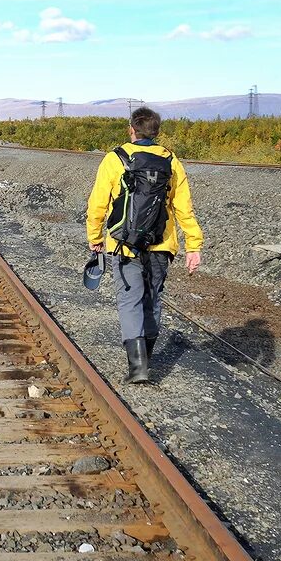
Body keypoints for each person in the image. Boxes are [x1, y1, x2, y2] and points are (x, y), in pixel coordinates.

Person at [86, 106, 203, 384]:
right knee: (153, 300)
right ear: (156, 132)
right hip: (161, 244)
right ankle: (146, 360)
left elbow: (98, 203)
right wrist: (194, 246)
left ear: (131, 130)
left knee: (130, 302)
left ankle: (137, 369)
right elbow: (183, 207)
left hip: (125, 245)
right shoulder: (171, 161)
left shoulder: (115, 159)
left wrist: (95, 238)